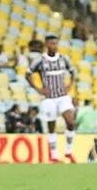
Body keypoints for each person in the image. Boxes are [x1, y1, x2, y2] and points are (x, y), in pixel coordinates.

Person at [25, 35, 77, 163]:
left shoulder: (64, 59)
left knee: (70, 122)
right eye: (51, 44)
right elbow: (27, 74)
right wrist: (38, 89)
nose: (54, 46)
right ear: (47, 45)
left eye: (56, 43)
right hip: (49, 99)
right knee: (51, 126)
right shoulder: (40, 60)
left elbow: (73, 72)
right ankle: (54, 156)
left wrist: (69, 86)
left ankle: (69, 152)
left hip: (63, 96)